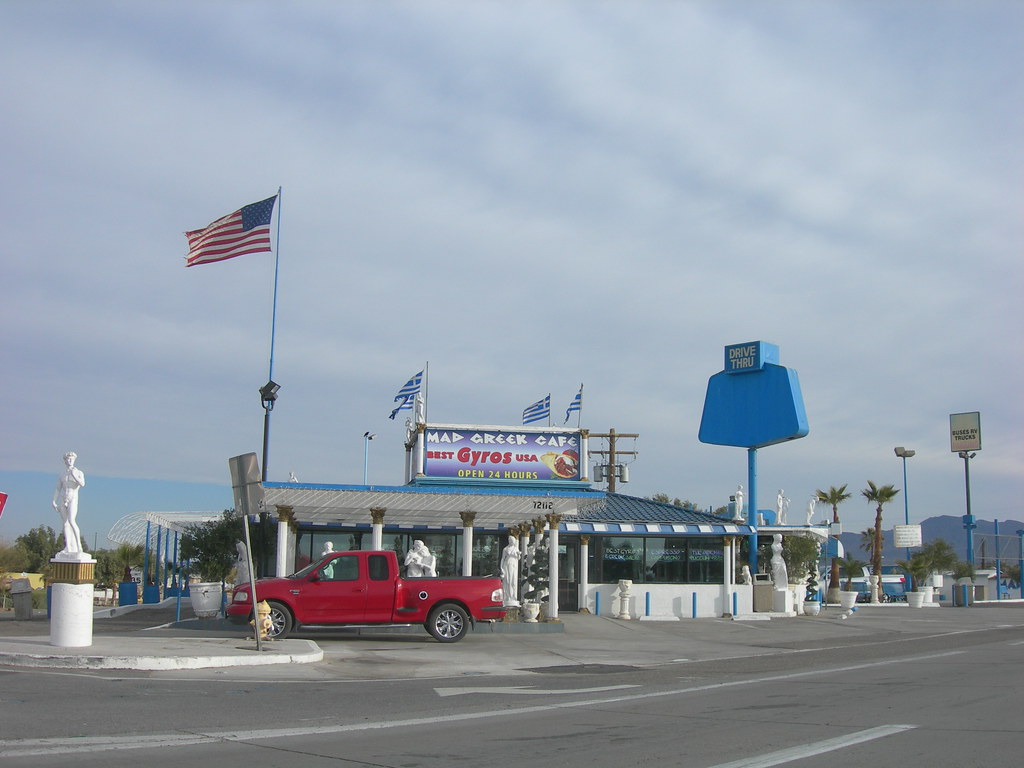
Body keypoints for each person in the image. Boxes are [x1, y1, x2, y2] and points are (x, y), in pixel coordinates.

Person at [53, 451, 85, 554]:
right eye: (68, 459)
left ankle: (79, 546)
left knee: (72, 521)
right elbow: (58, 489)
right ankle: (68, 547)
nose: (70, 460)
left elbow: (82, 484)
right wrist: (54, 500)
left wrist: (74, 475)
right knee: (65, 524)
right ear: (65, 461)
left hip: (73, 497)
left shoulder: (78, 472)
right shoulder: (62, 475)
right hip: (63, 498)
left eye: (72, 459)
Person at [500, 536, 520, 605]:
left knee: (513, 581)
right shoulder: (505, 549)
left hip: (514, 565)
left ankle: (513, 596)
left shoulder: (516, 548)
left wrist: (518, 554)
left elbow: (518, 558)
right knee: (507, 581)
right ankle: (508, 596)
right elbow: (503, 558)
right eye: (510, 540)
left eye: (512, 540)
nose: (511, 541)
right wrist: (501, 568)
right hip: (507, 564)